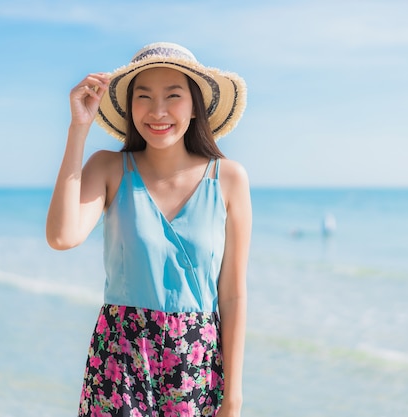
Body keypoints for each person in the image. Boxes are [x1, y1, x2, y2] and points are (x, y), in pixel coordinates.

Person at [46, 42, 251, 417]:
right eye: (144, 97)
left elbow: (233, 295)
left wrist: (233, 396)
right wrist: (79, 129)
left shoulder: (228, 179)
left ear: (194, 107)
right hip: (118, 361)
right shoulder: (109, 168)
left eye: (173, 96)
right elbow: (62, 236)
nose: (158, 111)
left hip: (197, 367)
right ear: (129, 107)